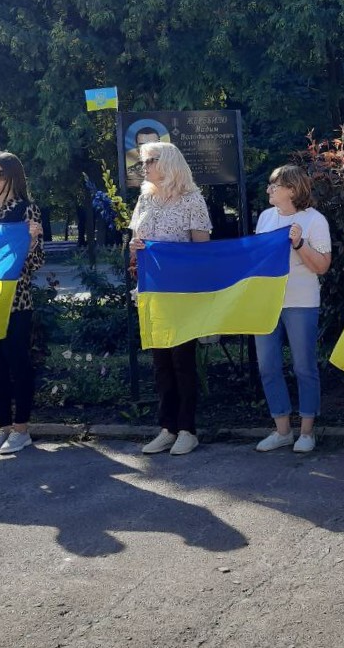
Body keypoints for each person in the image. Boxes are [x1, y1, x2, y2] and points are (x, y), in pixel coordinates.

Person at [130, 142, 213, 457]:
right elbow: (134, 240)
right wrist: (135, 247)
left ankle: (187, 430)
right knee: (161, 362)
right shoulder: (145, 198)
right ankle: (167, 428)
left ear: (168, 162)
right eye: (143, 161)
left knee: (182, 361)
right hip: (152, 289)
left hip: (182, 292)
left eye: (150, 160)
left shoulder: (192, 199)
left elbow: (202, 248)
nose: (145, 166)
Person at [253, 165, 332, 453]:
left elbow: (322, 266)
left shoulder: (314, 220)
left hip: (301, 301)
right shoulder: (265, 217)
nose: (268, 190)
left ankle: (307, 433)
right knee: (267, 367)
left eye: (274, 185)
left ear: (292, 189)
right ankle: (283, 431)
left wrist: (298, 244)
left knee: (303, 366)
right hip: (266, 303)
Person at [0, 152, 45, 456]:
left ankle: (21, 428)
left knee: (18, 360)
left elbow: (36, 262)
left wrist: (32, 241)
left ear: (13, 176)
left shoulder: (26, 209)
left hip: (17, 298)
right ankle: (2, 426)